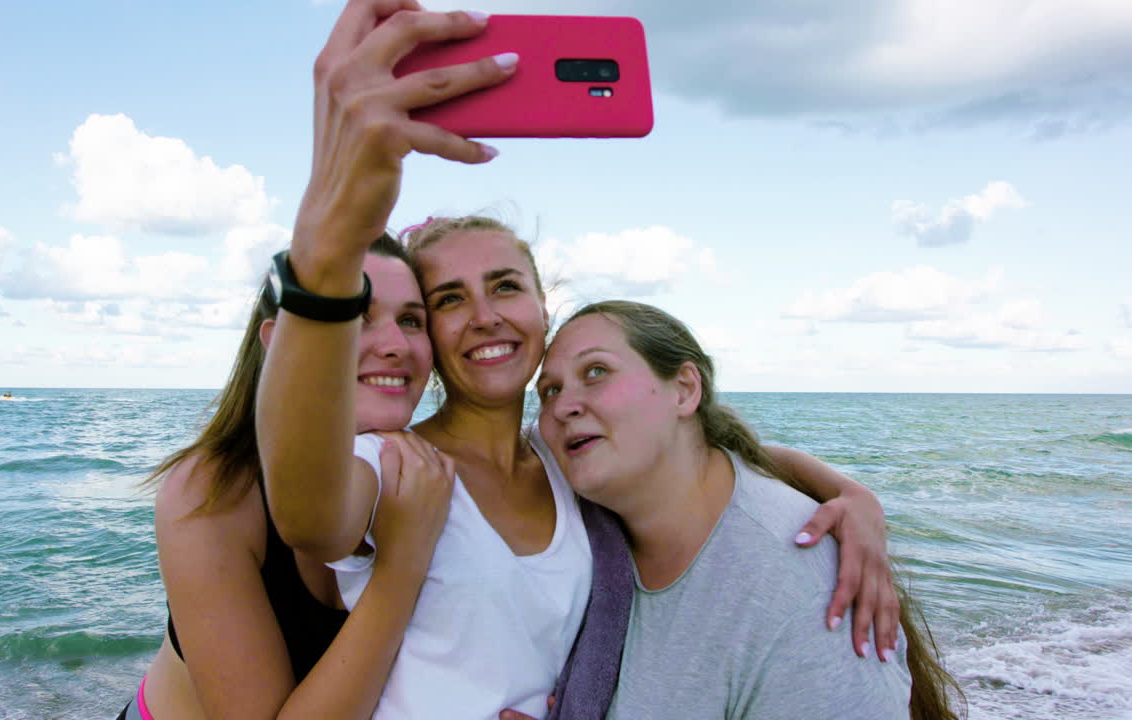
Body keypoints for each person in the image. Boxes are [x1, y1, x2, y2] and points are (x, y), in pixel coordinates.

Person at [257, 4, 902, 718]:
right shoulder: (397, 468)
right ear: (430, 339)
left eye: (505, 286)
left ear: (542, 307)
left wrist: (853, 497)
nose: (485, 315)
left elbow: (695, 455)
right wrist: (329, 244)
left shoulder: (566, 463)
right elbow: (305, 515)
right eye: (448, 300)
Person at [529, 300, 964, 719]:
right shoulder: (593, 531)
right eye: (549, 390)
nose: (563, 405)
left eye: (596, 371)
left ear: (684, 390)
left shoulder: (801, 596)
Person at [120, 235, 457, 720]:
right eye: (356, 316)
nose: (396, 345)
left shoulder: (428, 474)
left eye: (411, 320)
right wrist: (403, 563)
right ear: (283, 344)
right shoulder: (216, 491)